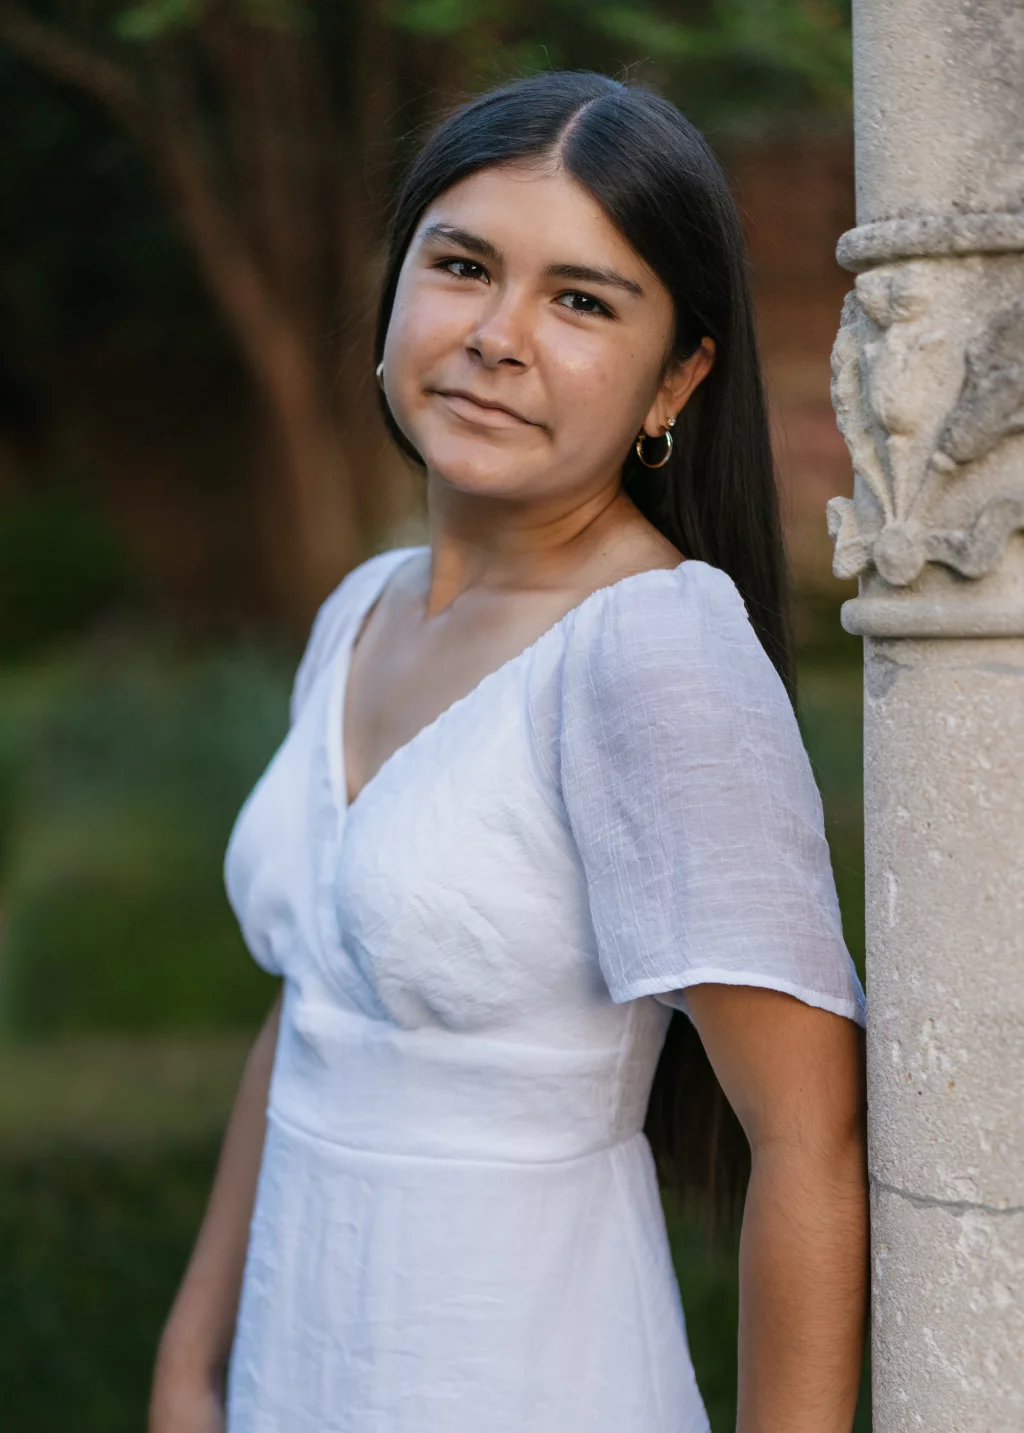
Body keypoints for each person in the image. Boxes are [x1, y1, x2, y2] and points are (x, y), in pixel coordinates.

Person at [149, 71, 868, 1433]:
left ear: (681, 376)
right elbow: (314, 1005)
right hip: (291, 1366)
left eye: (581, 300)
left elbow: (809, 1140)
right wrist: (192, 1361)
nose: (497, 336)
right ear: (395, 291)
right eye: (463, 265)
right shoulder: (360, 607)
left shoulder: (651, 653)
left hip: (519, 1370)